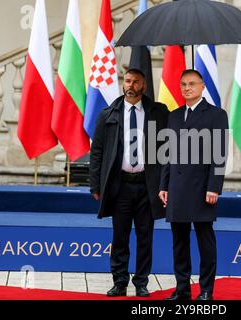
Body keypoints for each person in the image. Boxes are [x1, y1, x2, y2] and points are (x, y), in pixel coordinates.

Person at [89, 68, 169, 297]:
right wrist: (95, 185)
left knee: (146, 236)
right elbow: (97, 152)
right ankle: (120, 281)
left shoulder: (158, 113)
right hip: (120, 186)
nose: (131, 85)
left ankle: (141, 282)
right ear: (123, 84)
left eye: (136, 82)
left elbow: (168, 148)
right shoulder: (108, 114)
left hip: (147, 185)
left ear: (143, 86)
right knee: (120, 236)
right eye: (127, 81)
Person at [159, 69, 229, 301]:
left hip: (202, 189)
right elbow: (167, 154)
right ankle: (182, 289)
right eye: (183, 84)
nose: (187, 88)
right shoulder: (175, 115)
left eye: (191, 84)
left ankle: (206, 289)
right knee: (179, 242)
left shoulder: (216, 115)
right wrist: (164, 185)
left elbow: (219, 154)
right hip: (177, 189)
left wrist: (214, 187)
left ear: (202, 87)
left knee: (205, 241)